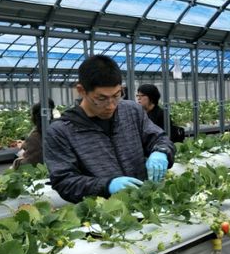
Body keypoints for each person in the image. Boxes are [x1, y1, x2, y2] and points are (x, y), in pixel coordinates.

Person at [44, 55, 175, 203]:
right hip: (104, 217)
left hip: (145, 203)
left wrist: (161, 152)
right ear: (81, 90)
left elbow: (159, 138)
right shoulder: (61, 131)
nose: (111, 105)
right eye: (101, 98)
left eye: (117, 95)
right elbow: (64, 181)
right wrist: (106, 186)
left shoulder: (132, 111)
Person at [12, 98, 55, 169]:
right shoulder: (55, 130)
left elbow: (30, 163)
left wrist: (17, 162)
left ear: (35, 118)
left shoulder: (35, 137)